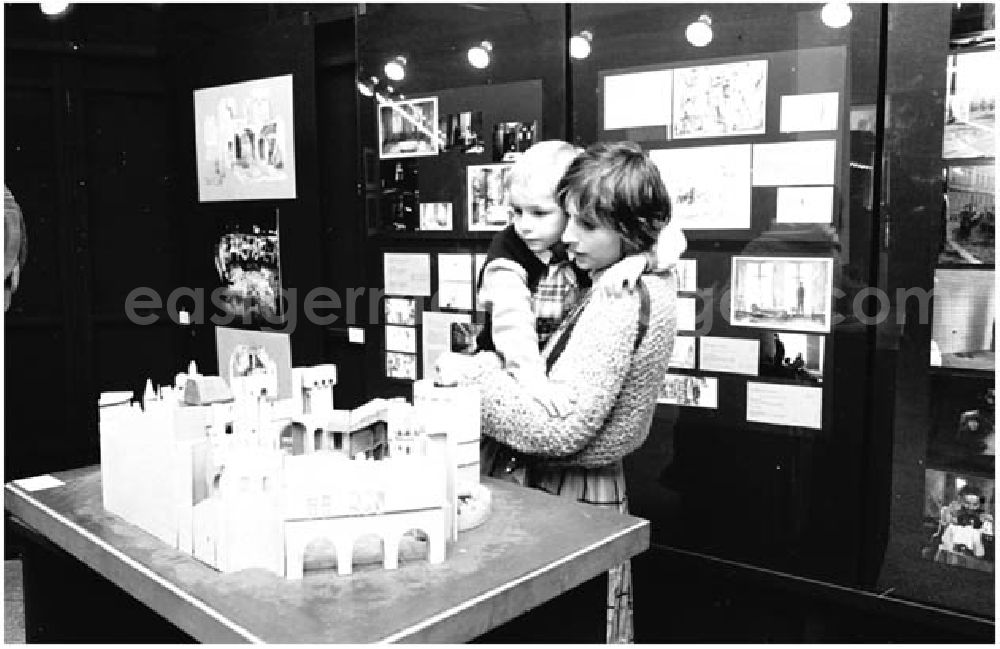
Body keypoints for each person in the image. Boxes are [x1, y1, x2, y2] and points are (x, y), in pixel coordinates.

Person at [437, 141, 679, 643]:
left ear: (630, 230)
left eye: (583, 224)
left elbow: (558, 427)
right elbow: (509, 322)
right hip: (572, 475)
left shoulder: (619, 294)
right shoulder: (617, 274)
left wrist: (467, 376)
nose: (566, 236)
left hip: (562, 482)